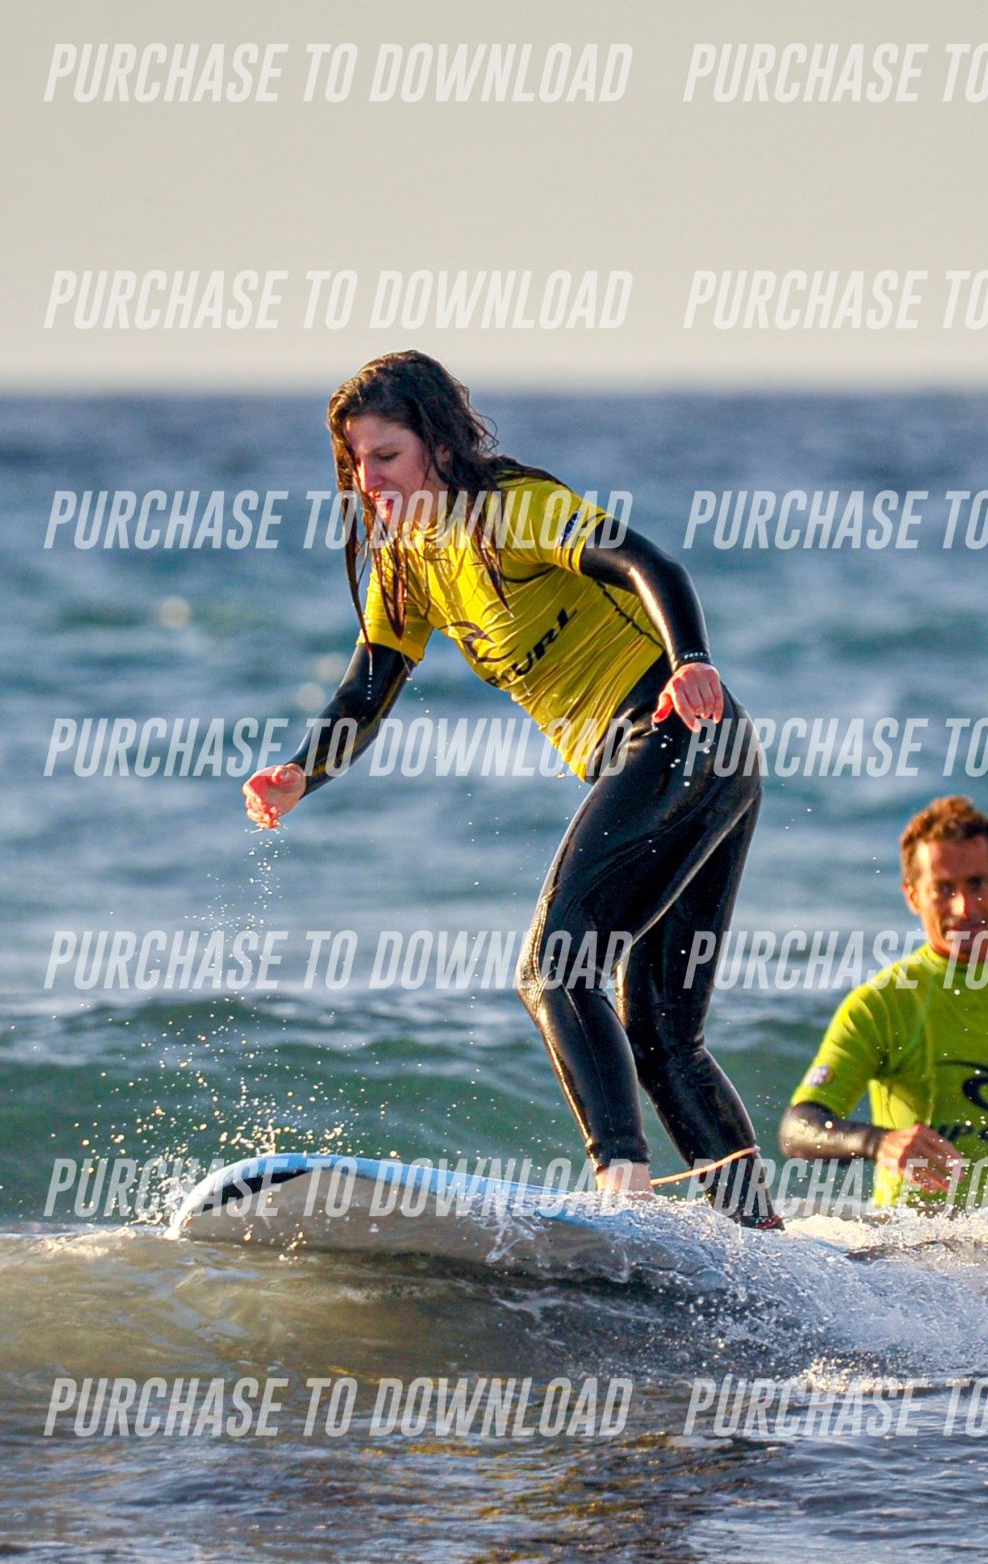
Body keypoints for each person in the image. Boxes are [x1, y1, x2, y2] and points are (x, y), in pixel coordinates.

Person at [243, 351, 780, 1228]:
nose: (369, 480)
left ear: (438, 444)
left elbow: (649, 565)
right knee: (660, 1036)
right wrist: (304, 769)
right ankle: (758, 1236)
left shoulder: (512, 510)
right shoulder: (406, 563)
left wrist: (691, 659)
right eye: (357, 461)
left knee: (555, 966)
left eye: (386, 456)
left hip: (679, 732)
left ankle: (622, 1192)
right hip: (692, 759)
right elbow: (368, 687)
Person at [780, 796, 988, 1211]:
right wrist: (878, 1142)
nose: (964, 907)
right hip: (913, 1242)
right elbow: (798, 1129)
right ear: (913, 896)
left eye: (977, 884)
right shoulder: (880, 1004)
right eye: (943, 889)